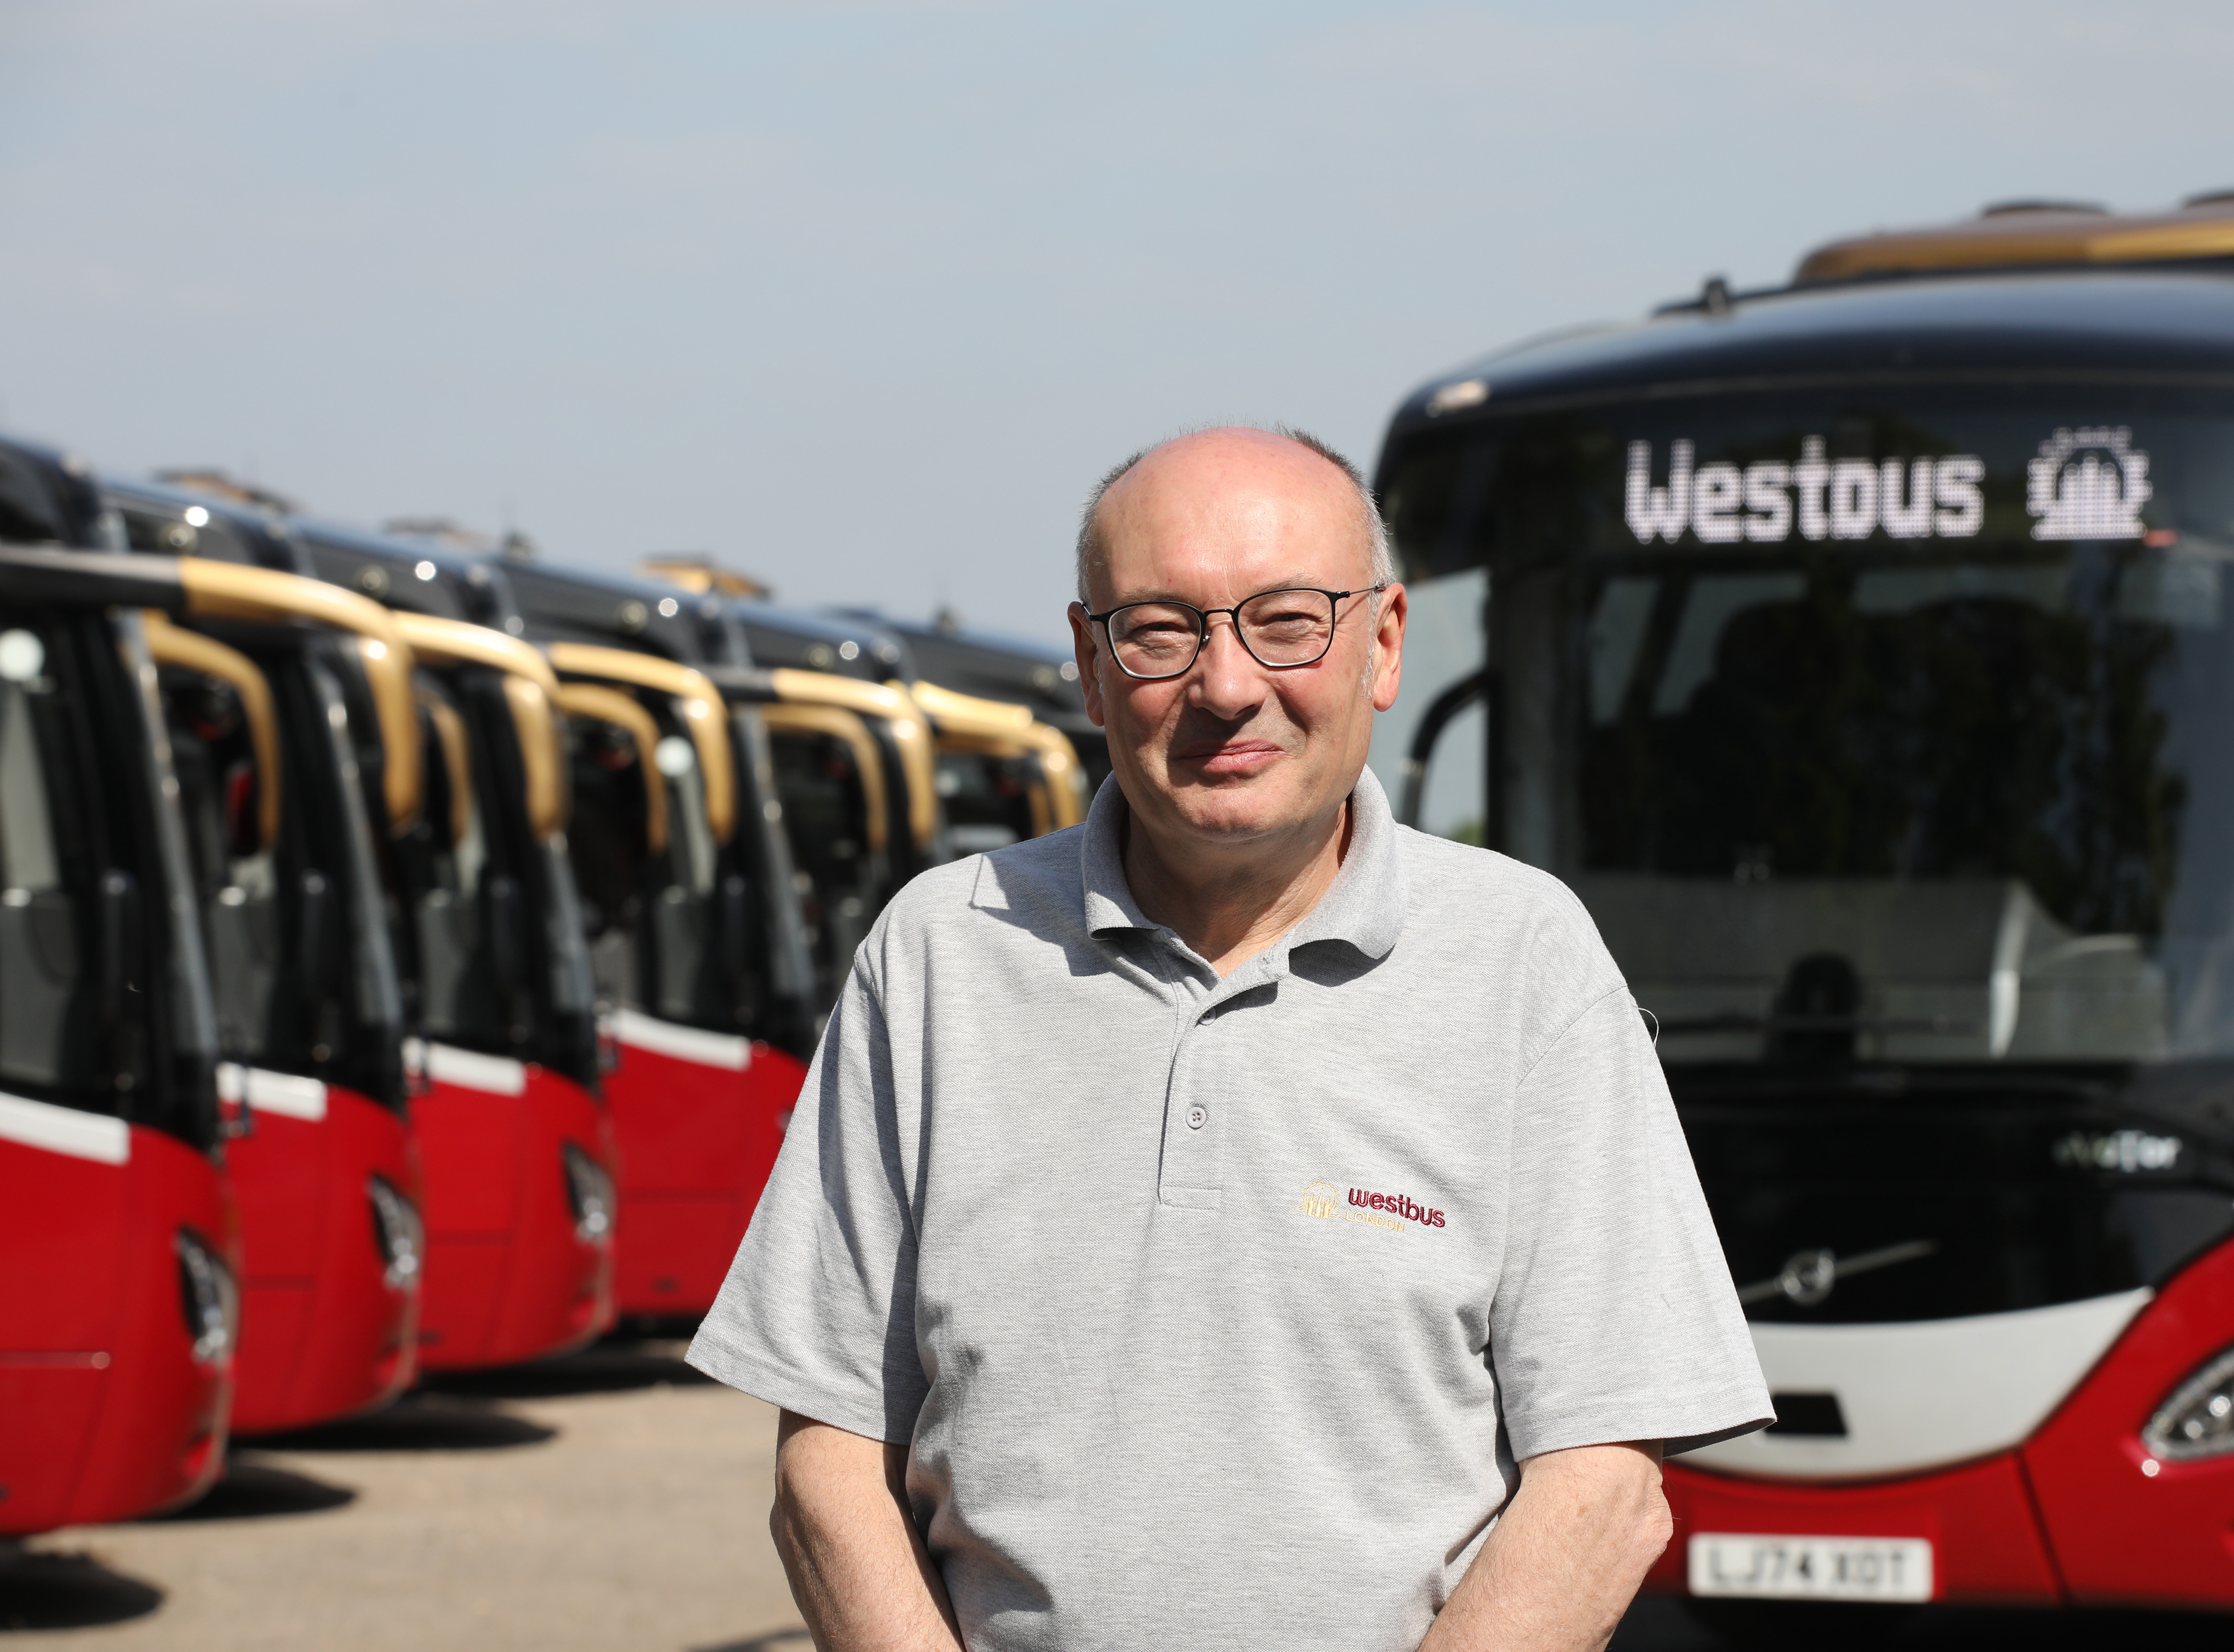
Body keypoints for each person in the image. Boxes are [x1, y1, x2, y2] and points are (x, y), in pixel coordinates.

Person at [687, 425, 1769, 1651]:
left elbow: (1606, 1481)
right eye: (1159, 630)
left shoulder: (1528, 961)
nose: (1225, 684)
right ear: (1090, 667)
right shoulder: (939, 954)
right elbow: (828, 1457)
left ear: (1384, 641)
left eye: (1287, 621)